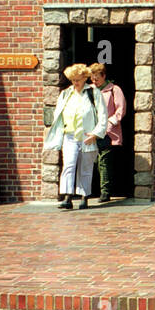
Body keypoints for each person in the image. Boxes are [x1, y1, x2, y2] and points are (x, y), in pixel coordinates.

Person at [43, 63, 108, 210]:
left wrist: (96, 134)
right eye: (73, 80)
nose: (75, 83)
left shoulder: (93, 93)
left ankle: (84, 197)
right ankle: (67, 196)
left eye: (78, 79)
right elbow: (58, 116)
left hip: (87, 136)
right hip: (70, 136)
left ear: (85, 78)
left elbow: (103, 115)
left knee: (85, 168)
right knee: (69, 165)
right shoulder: (66, 93)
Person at [88, 62, 127, 203]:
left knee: (104, 161)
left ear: (103, 76)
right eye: (92, 78)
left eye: (96, 78)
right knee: (92, 162)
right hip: (91, 132)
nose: (94, 81)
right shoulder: (89, 90)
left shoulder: (114, 90)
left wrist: (109, 124)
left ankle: (105, 192)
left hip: (107, 133)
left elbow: (120, 110)